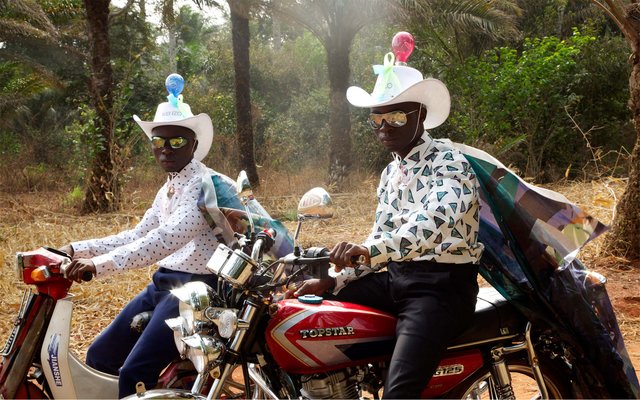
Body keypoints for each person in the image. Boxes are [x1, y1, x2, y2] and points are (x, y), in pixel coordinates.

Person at [289, 52, 484, 398]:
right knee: (309, 319)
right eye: (376, 118)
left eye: (394, 116)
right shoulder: (391, 172)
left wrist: (369, 250)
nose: (383, 127)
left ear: (420, 115)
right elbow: (380, 237)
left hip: (440, 289)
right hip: (394, 280)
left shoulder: (449, 160)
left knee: (399, 394)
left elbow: (434, 222)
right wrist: (334, 280)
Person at [59, 78, 223, 398]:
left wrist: (97, 265)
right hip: (165, 284)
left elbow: (163, 240)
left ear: (193, 144)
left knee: (135, 371)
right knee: (100, 357)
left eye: (176, 141)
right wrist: (74, 249)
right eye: (158, 141)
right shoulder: (169, 188)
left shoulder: (205, 187)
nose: (165, 148)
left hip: (196, 291)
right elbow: (137, 234)